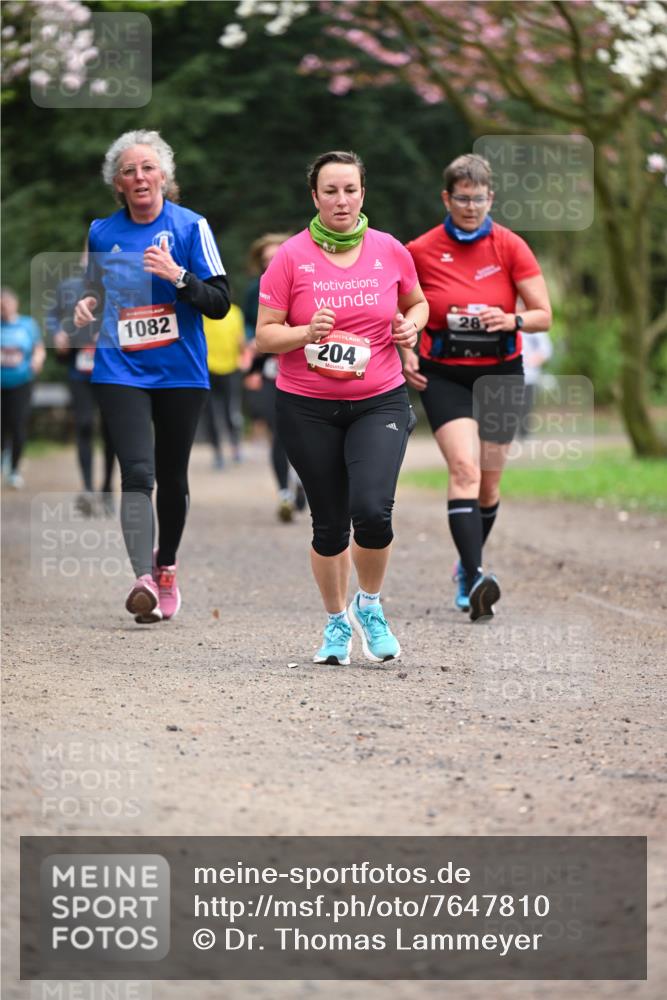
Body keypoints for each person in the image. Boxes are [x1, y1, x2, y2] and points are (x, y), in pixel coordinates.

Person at [256, 150, 428, 664]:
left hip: (379, 399)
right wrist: (304, 333)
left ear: (362, 194)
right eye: (330, 191)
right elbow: (265, 336)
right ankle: (336, 624)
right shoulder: (290, 257)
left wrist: (410, 325)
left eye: (349, 189)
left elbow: (416, 302)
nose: (341, 199)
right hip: (306, 406)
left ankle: (369, 605)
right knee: (329, 524)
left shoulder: (390, 250)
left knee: (373, 512)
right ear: (315, 197)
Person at [74, 129, 229, 623]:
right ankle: (142, 577)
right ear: (117, 184)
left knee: (172, 475)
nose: (139, 176)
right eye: (128, 170)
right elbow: (95, 291)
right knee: (137, 473)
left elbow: (220, 304)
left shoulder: (190, 228)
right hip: (119, 367)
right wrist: (85, 305)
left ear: (164, 175)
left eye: (147, 167)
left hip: (180, 370)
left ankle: (166, 566)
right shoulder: (102, 232)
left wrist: (178, 276)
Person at [404, 153, 552, 621]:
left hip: (501, 373)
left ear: (492, 197)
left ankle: (469, 565)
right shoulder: (420, 250)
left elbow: (544, 314)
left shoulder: (510, 246)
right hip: (444, 373)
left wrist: (511, 319)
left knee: (488, 484)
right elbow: (397, 310)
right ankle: (474, 574)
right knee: (465, 470)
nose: (471, 207)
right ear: (446, 198)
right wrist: (405, 350)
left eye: (480, 199)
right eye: (462, 199)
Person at [243, 232, 306, 521]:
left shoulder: (306, 283)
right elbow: (248, 333)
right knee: (278, 433)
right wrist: (251, 369)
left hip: (303, 367)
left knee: (305, 436)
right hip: (269, 371)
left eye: (276, 257)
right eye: (266, 259)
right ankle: (284, 492)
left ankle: (303, 481)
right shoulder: (253, 291)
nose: (271, 263)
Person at [47, 258, 116, 515]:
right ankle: (87, 488)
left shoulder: (117, 286)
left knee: (111, 431)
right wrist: (57, 333)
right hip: (79, 368)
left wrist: (110, 332)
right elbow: (53, 316)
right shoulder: (68, 287)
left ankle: (107, 488)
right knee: (84, 424)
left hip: (110, 370)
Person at [1, 287, 45, 489]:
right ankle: (4, 461)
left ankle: (15, 470)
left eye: (7, 304)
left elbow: (38, 348)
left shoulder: (27, 324)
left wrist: (37, 361)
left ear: (15, 303)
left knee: (18, 425)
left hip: (22, 383)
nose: (5, 308)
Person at [202, 302, 245, 468]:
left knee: (231, 411)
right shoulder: (202, 313)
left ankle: (235, 446)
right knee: (210, 415)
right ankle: (217, 452)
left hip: (231, 369)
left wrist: (244, 358)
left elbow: (240, 339)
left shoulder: (235, 312)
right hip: (208, 370)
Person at [517, 329, 553, 439]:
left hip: (529, 375)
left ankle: (524, 435)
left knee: (525, 407)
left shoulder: (535, 329)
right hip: (509, 375)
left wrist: (531, 361)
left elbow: (546, 349)